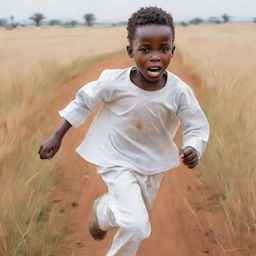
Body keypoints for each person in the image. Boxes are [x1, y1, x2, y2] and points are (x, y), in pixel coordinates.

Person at [39, 6, 209, 256]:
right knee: (137, 225)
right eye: (145, 49)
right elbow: (83, 101)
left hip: (152, 164)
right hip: (116, 160)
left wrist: (194, 146)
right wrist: (57, 135)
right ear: (131, 51)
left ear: (172, 51)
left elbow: (196, 124)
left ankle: (103, 211)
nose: (155, 56)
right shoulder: (113, 82)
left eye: (163, 49)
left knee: (133, 217)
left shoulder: (178, 91)